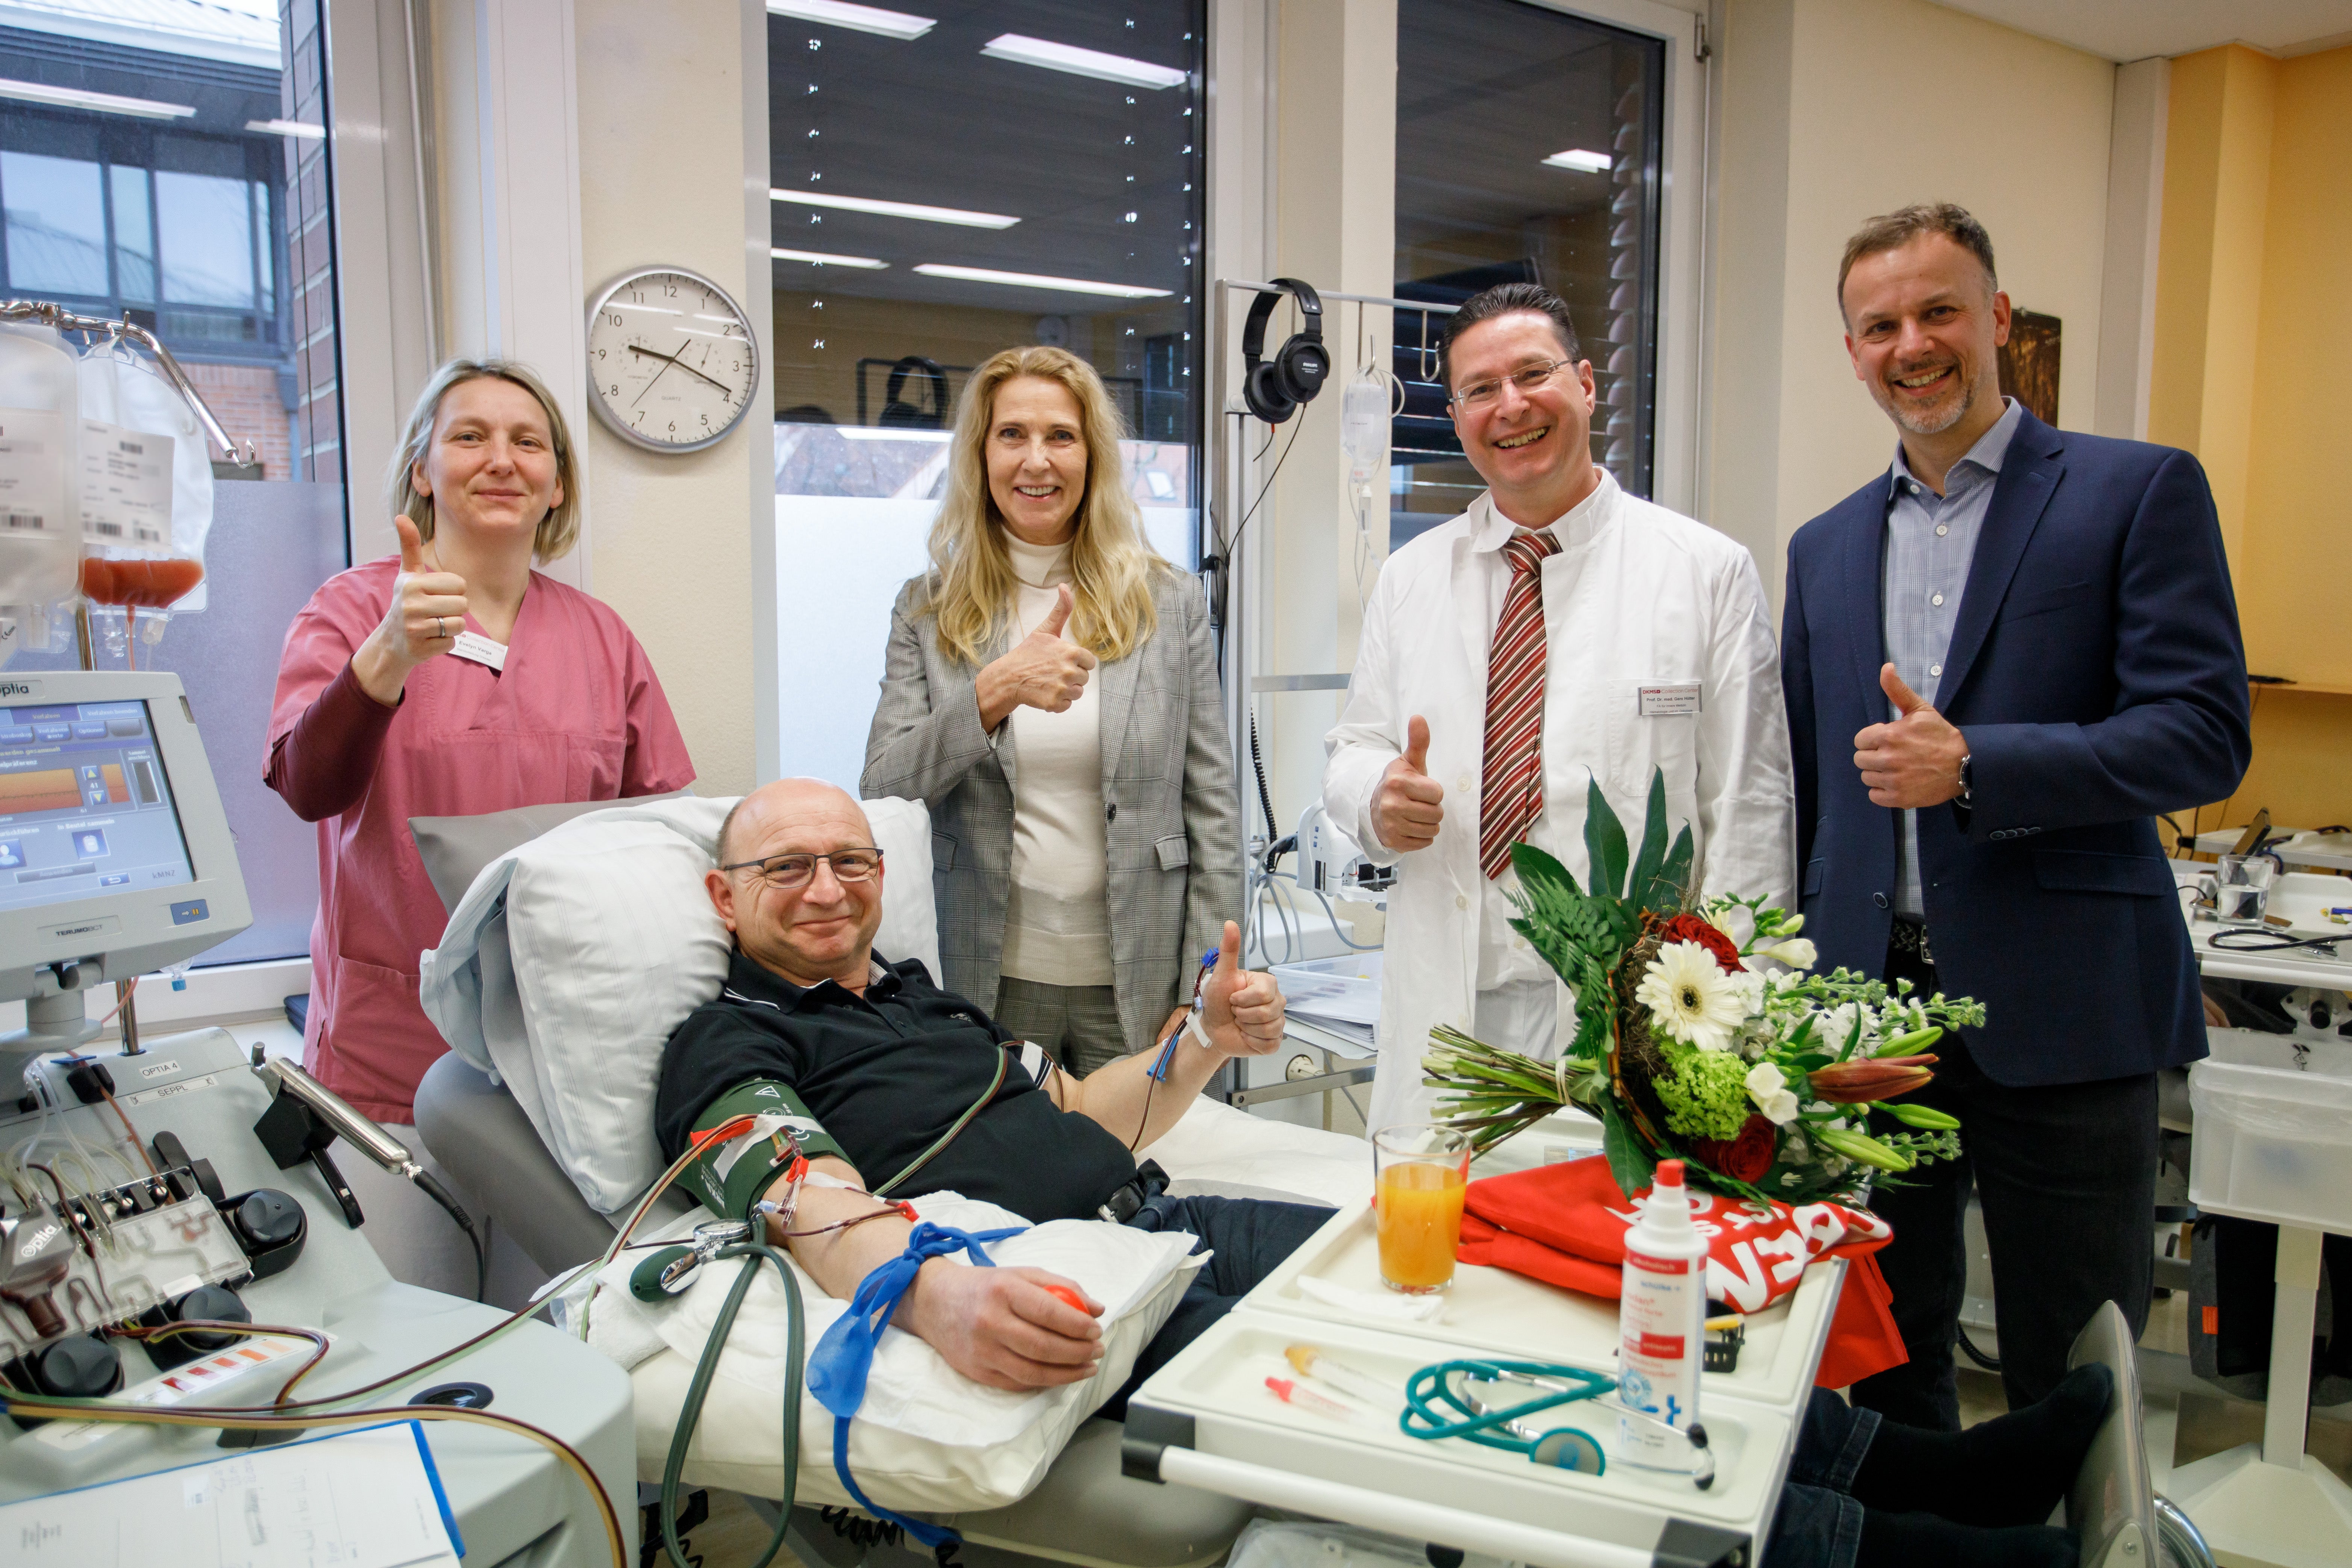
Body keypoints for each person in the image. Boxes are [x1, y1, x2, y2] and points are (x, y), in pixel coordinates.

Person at [657, 780, 2102, 1568]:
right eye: (786, 867)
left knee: (1496, 1282)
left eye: (848, 857)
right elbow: (793, 1193)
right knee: (1475, 1402)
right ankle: (1894, 1550)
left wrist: (1196, 1049)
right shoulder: (724, 1040)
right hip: (1078, 1293)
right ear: (724, 898)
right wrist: (927, 1299)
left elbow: (1089, 1114)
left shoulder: (913, 994)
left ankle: (1933, 1465)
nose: (830, 884)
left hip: (1156, 1217)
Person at [1781, 204, 2251, 1429]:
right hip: (1876, 1015)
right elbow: (1809, 790)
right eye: (1878, 325)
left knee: (2070, 1366)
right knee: (1880, 1354)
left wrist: (1977, 763)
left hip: (2066, 1007)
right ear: (1850, 352)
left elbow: (2202, 733)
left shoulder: (2132, 490)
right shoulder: (1822, 549)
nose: (1910, 343)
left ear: (1995, 319)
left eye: (1937, 311)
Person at [1323, 283, 1794, 1136]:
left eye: (1530, 374)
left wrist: (1732, 1022)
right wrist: (1374, 799)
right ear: (1455, 414)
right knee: (1438, 1254)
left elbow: (1748, 812)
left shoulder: (1704, 572)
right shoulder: (1410, 577)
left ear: (1584, 383)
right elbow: (1355, 746)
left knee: (1609, 1257)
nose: (1509, 406)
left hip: (1629, 1022)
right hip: (1447, 1004)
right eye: (1478, 389)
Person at [267, 359, 693, 1288]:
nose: (499, 460)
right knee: (408, 1354)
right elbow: (307, 785)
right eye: (469, 437)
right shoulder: (351, 610)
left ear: (557, 482)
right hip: (392, 1070)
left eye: (526, 441)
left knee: (549, 1352)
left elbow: (658, 835)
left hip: (560, 1066)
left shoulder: (599, 636)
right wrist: (387, 655)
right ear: (423, 469)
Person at [864, 347, 1243, 1077]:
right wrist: (991, 693)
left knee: (1141, 1174)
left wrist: (1205, 984)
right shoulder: (925, 609)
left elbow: (1213, 813)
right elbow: (884, 787)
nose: (1035, 460)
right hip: (988, 976)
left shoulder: (1169, 603)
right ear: (981, 455)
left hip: (1138, 976)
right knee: (1007, 1180)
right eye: (1011, 435)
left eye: (1059, 436)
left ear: (1091, 456)